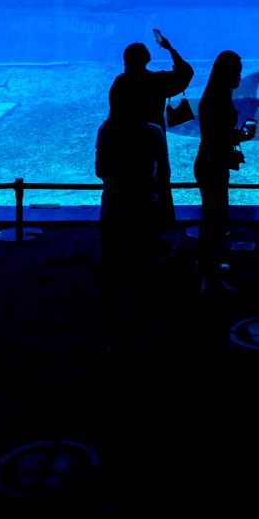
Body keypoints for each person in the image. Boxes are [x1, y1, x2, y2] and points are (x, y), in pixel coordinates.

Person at [96, 90, 169, 350]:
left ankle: (114, 339)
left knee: (113, 275)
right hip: (142, 211)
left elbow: (99, 170)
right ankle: (142, 336)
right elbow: (163, 173)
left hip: (112, 210)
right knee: (141, 276)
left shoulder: (106, 129)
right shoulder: (153, 132)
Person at [109, 30, 194, 231]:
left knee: (128, 193)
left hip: (124, 149)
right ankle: (156, 236)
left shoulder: (118, 84)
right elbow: (186, 73)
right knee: (156, 186)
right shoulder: (155, 82)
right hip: (152, 147)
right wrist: (169, 48)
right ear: (146, 59)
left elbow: (113, 117)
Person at [193, 50, 253, 292]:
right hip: (212, 165)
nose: (240, 75)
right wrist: (237, 139)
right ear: (227, 73)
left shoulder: (216, 95)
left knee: (211, 219)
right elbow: (217, 138)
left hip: (211, 162)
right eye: (237, 71)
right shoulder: (216, 100)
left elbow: (217, 136)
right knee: (216, 221)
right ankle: (211, 279)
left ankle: (207, 265)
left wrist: (239, 136)